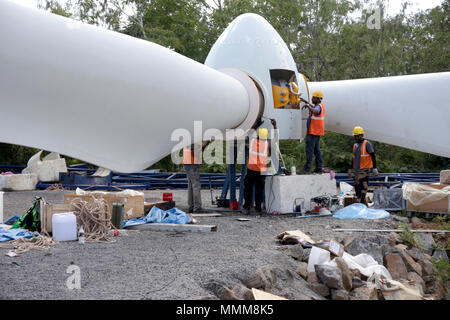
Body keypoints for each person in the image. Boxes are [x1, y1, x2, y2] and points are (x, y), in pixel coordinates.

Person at [242, 119, 277, 214]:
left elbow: (248, 134)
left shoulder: (252, 142)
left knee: (248, 190)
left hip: (251, 170)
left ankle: (246, 207)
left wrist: (256, 125)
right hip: (261, 171)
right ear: (266, 136)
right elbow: (275, 139)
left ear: (258, 135)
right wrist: (275, 126)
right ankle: (258, 209)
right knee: (259, 191)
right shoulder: (267, 144)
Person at [347, 126, 379, 205]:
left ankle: (360, 203)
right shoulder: (355, 145)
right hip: (357, 170)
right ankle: (360, 202)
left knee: (363, 187)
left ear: (361, 135)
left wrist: (374, 168)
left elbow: (373, 156)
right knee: (357, 187)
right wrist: (350, 169)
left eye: (357, 136)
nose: (355, 137)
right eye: (355, 136)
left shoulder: (367, 144)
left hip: (364, 170)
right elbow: (354, 158)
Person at [301, 91, 325, 174]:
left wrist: (307, 105)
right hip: (316, 132)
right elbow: (314, 107)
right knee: (316, 150)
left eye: (313, 97)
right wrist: (305, 102)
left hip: (313, 132)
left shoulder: (318, 107)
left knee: (309, 150)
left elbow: (315, 111)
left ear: (318, 99)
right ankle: (319, 168)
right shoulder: (318, 105)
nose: (312, 99)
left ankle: (307, 169)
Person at [183, 142, 210, 213]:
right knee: (196, 186)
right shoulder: (193, 138)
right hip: (192, 164)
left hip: (188, 164)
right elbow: (194, 150)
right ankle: (197, 207)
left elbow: (197, 150)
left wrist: (206, 144)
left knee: (191, 186)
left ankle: (191, 206)